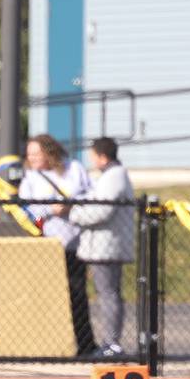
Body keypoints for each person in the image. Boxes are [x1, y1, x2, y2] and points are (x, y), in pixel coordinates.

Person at [18, 134, 97, 356]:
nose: (31, 157)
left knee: (78, 294)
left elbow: (91, 194)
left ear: (49, 152)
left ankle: (85, 345)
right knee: (46, 295)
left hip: (74, 242)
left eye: (36, 153)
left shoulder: (74, 169)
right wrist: (50, 210)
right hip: (46, 245)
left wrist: (70, 205)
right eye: (29, 153)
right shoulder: (31, 178)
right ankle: (47, 345)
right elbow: (26, 210)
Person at [65, 137, 134, 357]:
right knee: (108, 293)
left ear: (102, 157)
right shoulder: (110, 176)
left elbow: (101, 210)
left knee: (108, 293)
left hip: (107, 246)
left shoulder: (114, 177)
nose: (91, 160)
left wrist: (73, 214)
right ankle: (110, 342)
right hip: (103, 245)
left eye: (93, 156)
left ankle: (111, 343)